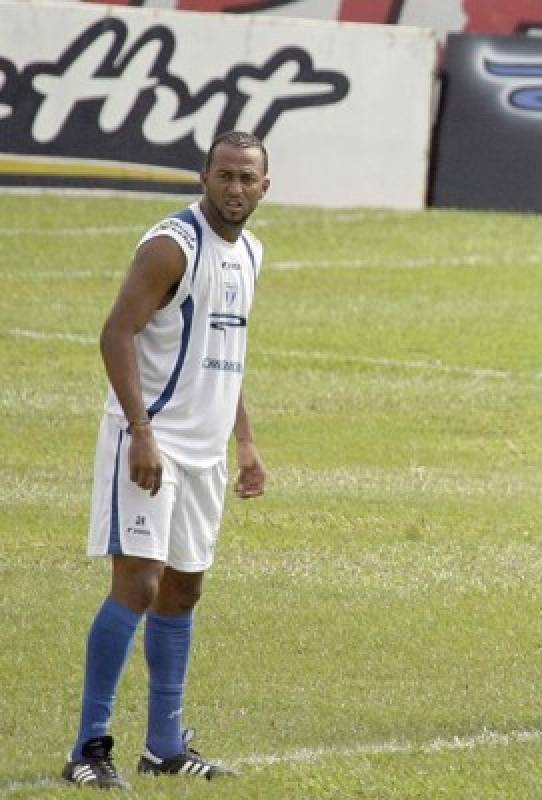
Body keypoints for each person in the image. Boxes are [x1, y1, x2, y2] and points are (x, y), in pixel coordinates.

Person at [62, 130, 271, 788]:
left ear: (265, 188)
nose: (235, 188)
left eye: (248, 178)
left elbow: (228, 353)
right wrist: (142, 430)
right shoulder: (169, 247)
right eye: (225, 175)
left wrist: (245, 442)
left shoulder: (252, 254)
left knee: (184, 590)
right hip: (149, 444)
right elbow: (115, 332)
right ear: (203, 177)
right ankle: (88, 749)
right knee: (139, 585)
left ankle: (164, 746)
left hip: (206, 453)